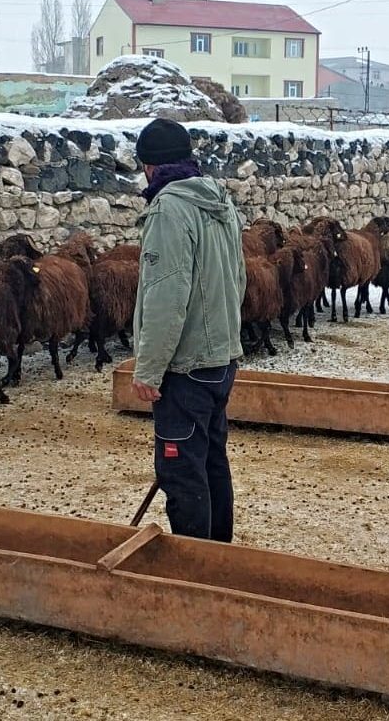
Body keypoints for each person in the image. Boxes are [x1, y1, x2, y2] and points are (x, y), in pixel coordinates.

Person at [129, 117, 248, 543]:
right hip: (220, 362)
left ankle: (195, 571)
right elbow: (239, 279)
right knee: (212, 460)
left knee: (182, 472)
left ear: (149, 167)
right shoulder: (219, 203)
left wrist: (149, 369)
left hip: (186, 369)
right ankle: (219, 559)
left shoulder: (168, 209)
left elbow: (166, 295)